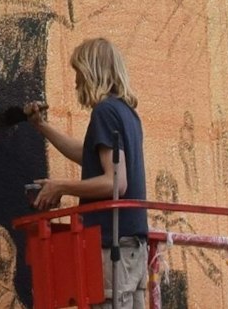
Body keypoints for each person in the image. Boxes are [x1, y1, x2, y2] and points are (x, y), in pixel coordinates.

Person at [22, 38, 149, 309]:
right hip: (132, 250)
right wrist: (42, 127)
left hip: (111, 248)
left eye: (78, 71)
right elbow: (89, 156)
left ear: (91, 70)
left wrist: (61, 187)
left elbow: (115, 181)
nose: (76, 80)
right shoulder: (126, 113)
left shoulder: (104, 112)